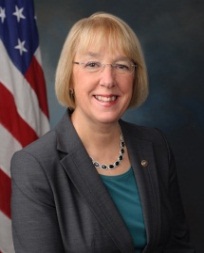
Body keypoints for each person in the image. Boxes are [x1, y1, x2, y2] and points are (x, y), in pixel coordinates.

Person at [11, 12, 195, 253]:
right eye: (92, 64)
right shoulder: (36, 165)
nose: (108, 80)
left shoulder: (155, 144)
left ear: (135, 77)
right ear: (69, 77)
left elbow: (178, 246)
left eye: (121, 66)